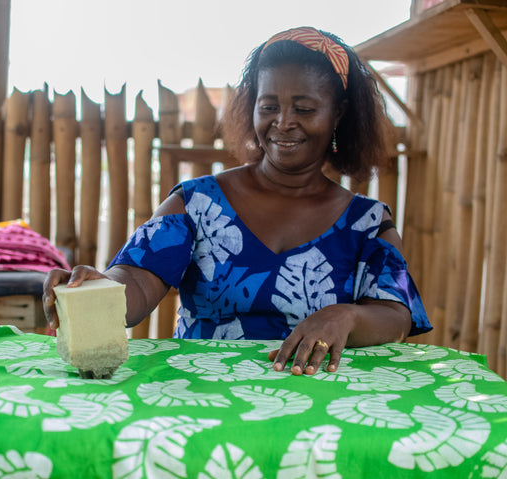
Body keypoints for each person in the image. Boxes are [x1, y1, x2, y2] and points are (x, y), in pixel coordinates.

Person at [43, 26, 432, 376]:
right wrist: (97, 287)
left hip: (318, 412)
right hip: (201, 406)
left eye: (304, 108)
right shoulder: (197, 203)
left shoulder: (366, 224)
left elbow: (395, 315)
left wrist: (346, 316)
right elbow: (136, 285)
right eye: (268, 107)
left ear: (338, 115)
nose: (282, 122)